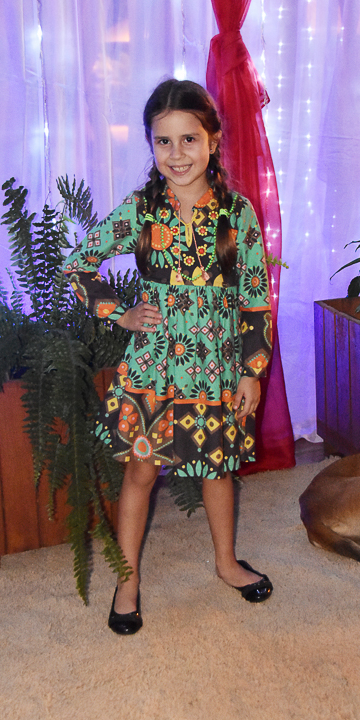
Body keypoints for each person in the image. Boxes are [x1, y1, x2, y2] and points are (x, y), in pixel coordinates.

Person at [64, 79, 273, 635]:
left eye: (189, 139)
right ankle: (127, 579)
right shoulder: (140, 211)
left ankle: (226, 562)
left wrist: (252, 372)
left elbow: (256, 298)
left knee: (217, 469)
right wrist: (120, 313)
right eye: (163, 142)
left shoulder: (238, 213)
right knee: (140, 470)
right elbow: (77, 265)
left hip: (216, 367)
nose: (177, 154)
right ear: (150, 145)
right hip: (154, 365)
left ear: (213, 140)